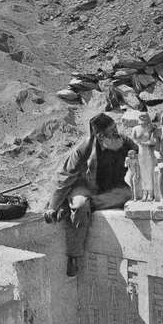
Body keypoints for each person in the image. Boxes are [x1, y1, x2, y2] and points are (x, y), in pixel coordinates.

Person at [44, 113, 137, 276]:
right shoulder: (84, 149)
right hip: (85, 186)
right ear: (100, 136)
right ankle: (73, 256)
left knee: (129, 194)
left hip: (111, 190)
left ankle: (81, 205)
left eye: (115, 128)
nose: (117, 133)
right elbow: (64, 177)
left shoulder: (124, 142)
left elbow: (142, 154)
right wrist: (52, 206)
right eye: (112, 131)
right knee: (80, 206)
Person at [131, 112, 158, 201]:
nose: (142, 118)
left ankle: (151, 192)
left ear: (147, 118)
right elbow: (133, 139)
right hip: (140, 151)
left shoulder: (152, 128)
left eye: (144, 117)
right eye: (141, 117)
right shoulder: (135, 128)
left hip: (149, 151)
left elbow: (154, 140)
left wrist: (145, 143)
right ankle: (144, 192)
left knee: (150, 171)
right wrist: (138, 143)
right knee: (142, 172)